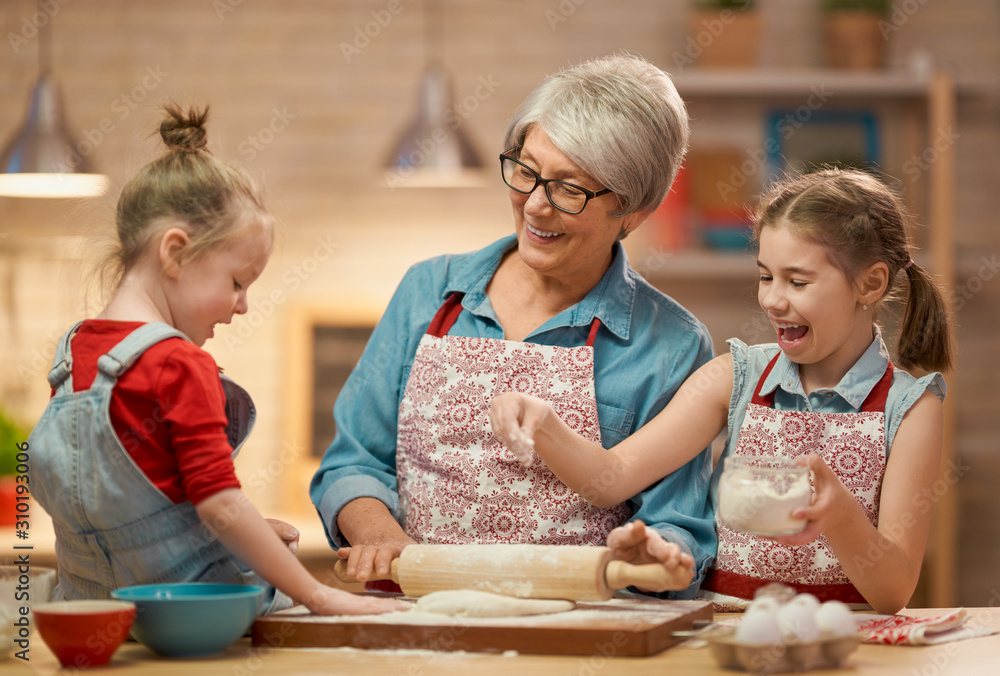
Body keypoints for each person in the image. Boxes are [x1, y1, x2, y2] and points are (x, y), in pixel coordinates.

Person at [310, 54, 716, 597]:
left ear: (635, 210)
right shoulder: (430, 292)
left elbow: (680, 529)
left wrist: (661, 557)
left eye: (569, 189)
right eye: (527, 172)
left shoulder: (671, 344)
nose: (535, 208)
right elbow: (353, 462)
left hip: (578, 637)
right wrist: (381, 538)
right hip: (418, 623)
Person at [490, 168, 952, 615]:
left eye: (798, 281)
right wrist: (543, 423)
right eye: (766, 275)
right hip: (726, 635)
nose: (772, 299)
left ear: (870, 284)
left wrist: (840, 515)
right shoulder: (735, 376)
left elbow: (894, 592)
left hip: (840, 646)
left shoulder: (911, 408)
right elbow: (611, 476)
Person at [28, 104, 403, 616]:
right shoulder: (179, 365)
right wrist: (319, 594)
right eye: (236, 282)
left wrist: (217, 539)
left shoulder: (72, 355)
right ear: (176, 253)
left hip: (91, 618)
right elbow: (219, 504)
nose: (243, 306)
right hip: (185, 619)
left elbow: (128, 513)